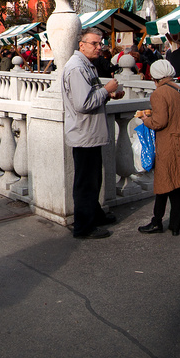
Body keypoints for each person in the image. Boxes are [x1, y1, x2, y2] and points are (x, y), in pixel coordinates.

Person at [64, 28, 123, 238]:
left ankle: (94, 214)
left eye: (101, 44)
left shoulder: (85, 65)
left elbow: (89, 96)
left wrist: (108, 95)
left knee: (93, 179)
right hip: (84, 132)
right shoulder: (77, 68)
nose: (100, 48)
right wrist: (106, 90)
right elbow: (83, 103)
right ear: (82, 44)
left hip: (88, 132)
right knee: (86, 182)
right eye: (95, 44)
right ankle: (83, 227)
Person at [135, 58, 180, 235]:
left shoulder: (158, 93)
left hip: (168, 143)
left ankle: (157, 222)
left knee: (163, 183)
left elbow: (159, 122)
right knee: (178, 183)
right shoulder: (177, 89)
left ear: (154, 77)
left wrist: (144, 119)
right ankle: (175, 225)